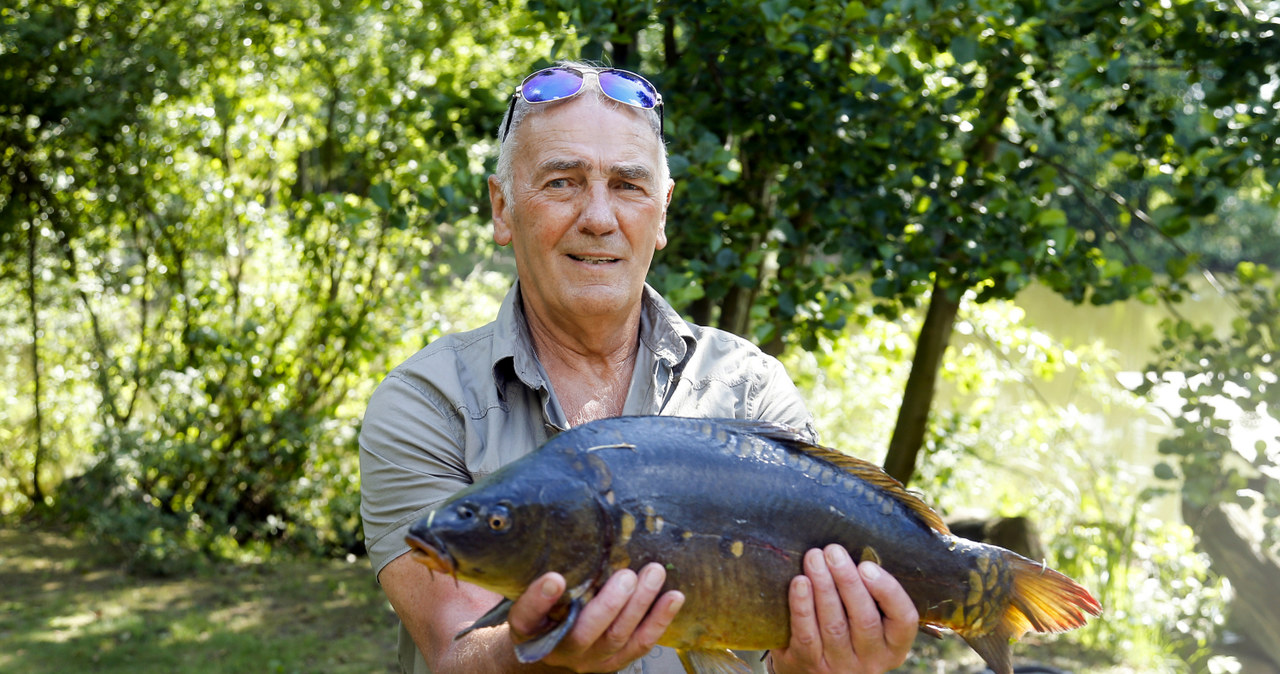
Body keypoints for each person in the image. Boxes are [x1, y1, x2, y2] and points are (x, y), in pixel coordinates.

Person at [359, 61, 920, 674]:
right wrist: (543, 659)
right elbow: (454, 652)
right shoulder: (426, 404)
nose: (599, 217)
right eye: (562, 183)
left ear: (662, 213)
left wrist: (820, 666)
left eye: (628, 185)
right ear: (502, 207)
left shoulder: (750, 389)